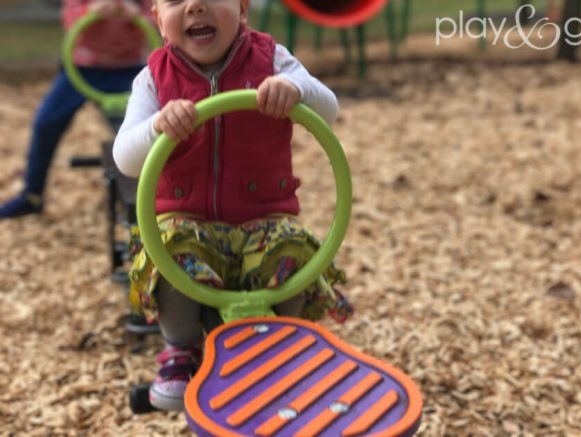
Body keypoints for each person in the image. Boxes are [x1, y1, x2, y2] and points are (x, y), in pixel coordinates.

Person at [112, 0, 353, 411]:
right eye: (175, 0)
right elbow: (125, 158)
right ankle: (181, 349)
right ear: (158, 20)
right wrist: (157, 126)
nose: (195, 6)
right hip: (188, 222)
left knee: (293, 246)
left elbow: (328, 109)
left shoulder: (273, 59)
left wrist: (297, 90)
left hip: (263, 221)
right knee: (166, 249)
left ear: (242, 10)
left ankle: (284, 342)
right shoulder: (153, 79)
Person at [0, 0, 153, 219]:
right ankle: (32, 194)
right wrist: (90, 11)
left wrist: (136, 15)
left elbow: (159, 19)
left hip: (128, 71)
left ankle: (152, 197)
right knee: (46, 123)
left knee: (135, 135)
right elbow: (70, 19)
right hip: (82, 69)